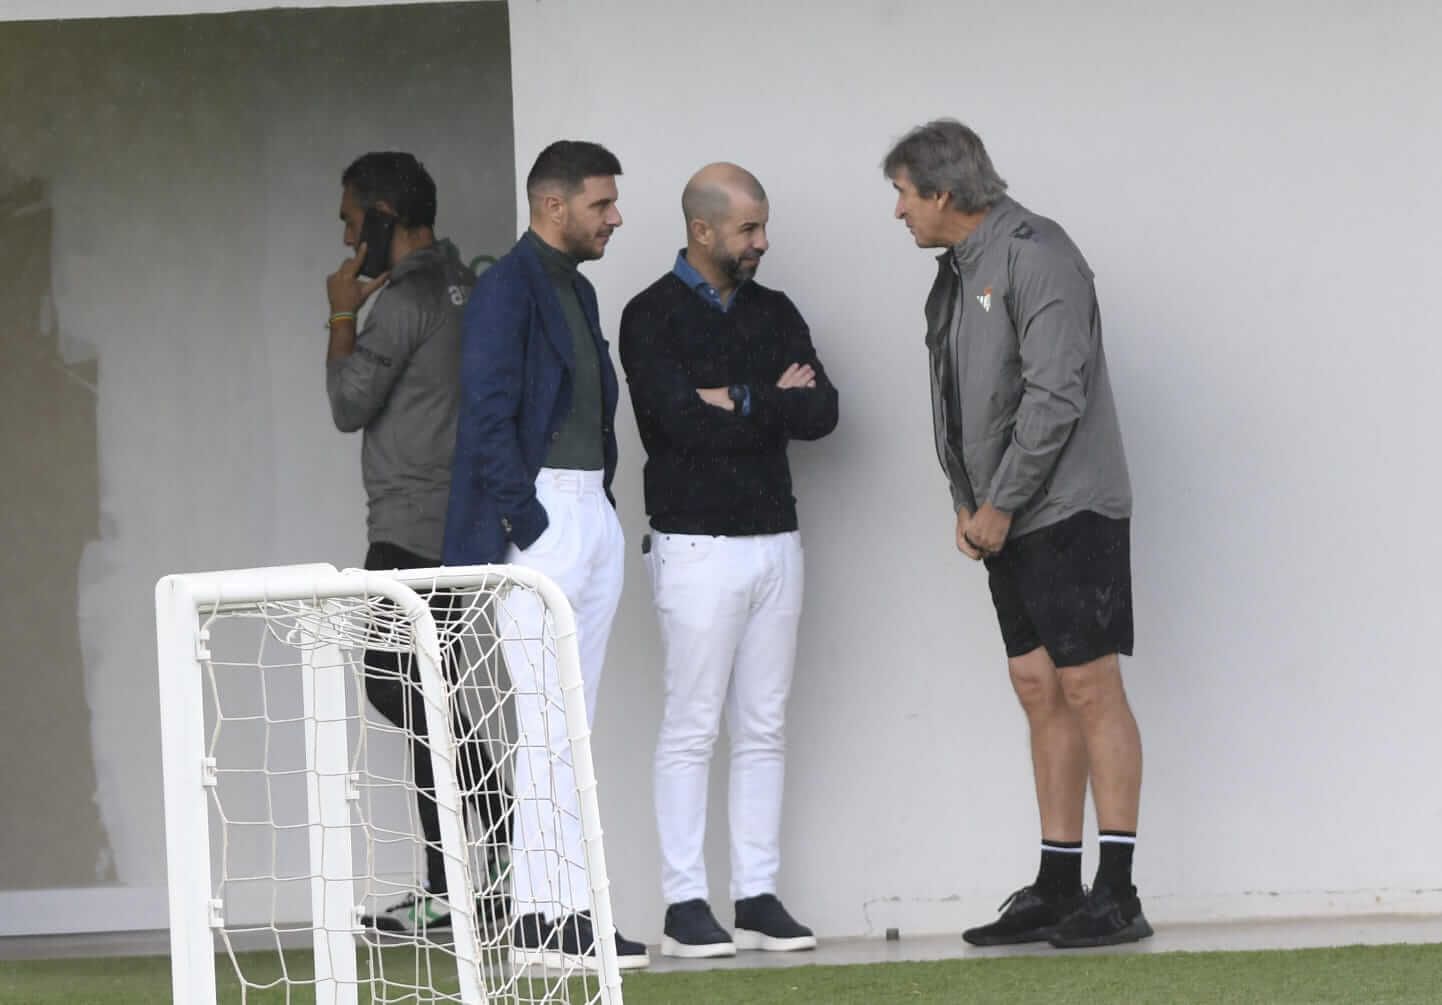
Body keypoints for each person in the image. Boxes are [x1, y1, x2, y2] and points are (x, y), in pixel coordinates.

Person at [883, 120, 1151, 948]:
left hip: (1067, 509)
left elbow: (1054, 394)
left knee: (1088, 685)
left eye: (902, 193)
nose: (898, 212)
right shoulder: (959, 270)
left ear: (942, 193)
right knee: (1037, 686)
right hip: (1003, 515)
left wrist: (997, 501)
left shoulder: (1037, 253)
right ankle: (1057, 883)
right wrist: (970, 502)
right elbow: (963, 398)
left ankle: (1118, 893)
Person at [619, 163, 838, 959]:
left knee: (763, 725)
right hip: (693, 543)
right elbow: (671, 423)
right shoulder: (649, 315)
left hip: (776, 539)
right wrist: (766, 397)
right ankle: (685, 906)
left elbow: (824, 410)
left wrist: (734, 397)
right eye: (748, 229)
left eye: (763, 225)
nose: (762, 241)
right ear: (702, 230)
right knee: (692, 726)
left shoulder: (775, 309)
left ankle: (756, 895)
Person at [442, 140, 649, 971]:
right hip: (543, 516)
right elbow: (485, 413)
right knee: (546, 718)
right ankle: (541, 914)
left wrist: (586, 510)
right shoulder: (507, 286)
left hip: (586, 505)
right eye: (601, 204)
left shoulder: (579, 288)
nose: (615, 217)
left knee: (572, 720)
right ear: (553, 205)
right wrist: (530, 524)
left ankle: (559, 911)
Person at [324, 151, 508, 936]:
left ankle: (481, 836)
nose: (343, 235)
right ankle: (459, 881)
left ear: (380, 220)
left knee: (403, 691)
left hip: (410, 531)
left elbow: (345, 402)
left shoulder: (404, 300)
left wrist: (338, 312)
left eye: (348, 219)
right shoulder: (466, 282)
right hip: (458, 522)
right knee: (428, 697)